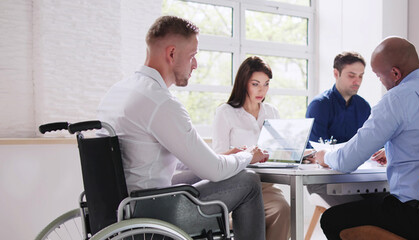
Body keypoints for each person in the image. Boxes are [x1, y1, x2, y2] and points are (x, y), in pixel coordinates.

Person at [96, 16, 267, 240]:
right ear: (172, 53)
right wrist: (247, 155)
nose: (195, 64)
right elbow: (214, 171)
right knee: (249, 181)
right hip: (153, 215)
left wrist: (215, 156)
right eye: (192, 56)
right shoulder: (160, 102)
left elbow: (151, 156)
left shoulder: (119, 91)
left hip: (121, 209)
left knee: (197, 172)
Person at [312, 37, 419, 240]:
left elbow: (347, 161)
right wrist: (391, 151)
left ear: (395, 73)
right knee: (377, 201)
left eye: (379, 77)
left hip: (416, 216)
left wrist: (325, 156)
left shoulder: (397, 99)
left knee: (332, 219)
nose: (381, 82)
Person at [211, 56, 290, 240]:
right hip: (238, 185)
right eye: (255, 84)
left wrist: (299, 153)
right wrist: (244, 154)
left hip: (267, 185)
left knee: (283, 209)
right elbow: (218, 158)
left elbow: (281, 149)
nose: (261, 90)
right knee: (256, 218)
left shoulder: (271, 112)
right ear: (244, 82)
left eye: (266, 84)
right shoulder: (226, 113)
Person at [305, 52, 373, 207]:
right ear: (336, 73)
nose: (357, 81)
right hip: (325, 180)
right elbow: (316, 152)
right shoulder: (319, 105)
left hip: (359, 178)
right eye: (351, 75)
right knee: (361, 211)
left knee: (389, 203)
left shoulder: (364, 107)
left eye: (361, 76)